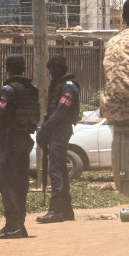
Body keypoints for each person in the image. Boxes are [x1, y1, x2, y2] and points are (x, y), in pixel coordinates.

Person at [0, 54, 39, 239]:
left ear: (7, 68)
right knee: (21, 183)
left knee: (8, 183)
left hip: (11, 140)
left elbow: (0, 117)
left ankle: (12, 226)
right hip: (25, 139)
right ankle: (20, 225)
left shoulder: (8, 89)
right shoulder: (31, 89)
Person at [35, 55, 79, 224]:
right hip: (56, 130)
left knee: (55, 170)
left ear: (62, 69)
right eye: (50, 68)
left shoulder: (68, 87)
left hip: (60, 130)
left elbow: (61, 111)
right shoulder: (59, 85)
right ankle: (66, 210)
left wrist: (45, 129)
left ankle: (56, 210)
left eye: (55, 68)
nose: (52, 71)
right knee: (59, 169)